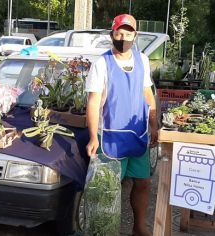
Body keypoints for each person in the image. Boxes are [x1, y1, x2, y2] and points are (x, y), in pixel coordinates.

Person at [85, 14, 158, 236]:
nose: (123, 38)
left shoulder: (142, 60)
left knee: (143, 182)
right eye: (119, 33)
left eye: (128, 34)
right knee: (109, 188)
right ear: (111, 35)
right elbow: (94, 101)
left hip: (138, 134)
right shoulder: (101, 64)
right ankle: (107, 230)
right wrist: (93, 137)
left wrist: (154, 124)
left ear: (135, 36)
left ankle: (139, 227)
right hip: (110, 138)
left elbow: (147, 93)